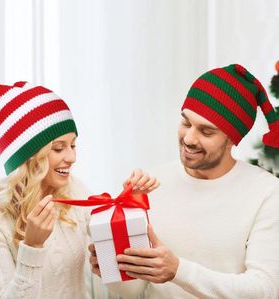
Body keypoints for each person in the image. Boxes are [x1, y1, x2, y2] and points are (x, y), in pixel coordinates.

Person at [90, 64, 279, 299]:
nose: (189, 139)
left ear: (232, 138)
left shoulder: (266, 193)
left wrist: (178, 270)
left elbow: (264, 289)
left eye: (206, 131)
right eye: (186, 123)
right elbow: (135, 291)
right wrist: (112, 268)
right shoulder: (152, 184)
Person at [0, 81, 159, 299]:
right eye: (58, 148)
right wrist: (33, 246)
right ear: (28, 157)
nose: (72, 158)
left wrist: (129, 201)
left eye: (73, 145)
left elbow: (123, 251)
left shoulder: (73, 190)